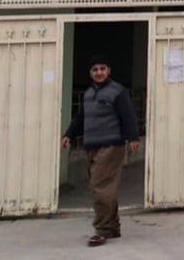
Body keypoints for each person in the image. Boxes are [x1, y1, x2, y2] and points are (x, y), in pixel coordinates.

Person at [60, 55, 140, 247]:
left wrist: (133, 137)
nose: (99, 72)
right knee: (104, 188)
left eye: (102, 68)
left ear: (108, 71)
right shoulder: (88, 93)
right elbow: (81, 117)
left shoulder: (117, 91)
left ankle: (102, 230)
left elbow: (128, 115)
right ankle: (113, 227)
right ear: (90, 73)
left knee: (100, 187)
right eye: (95, 69)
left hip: (111, 145)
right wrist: (69, 134)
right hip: (91, 146)